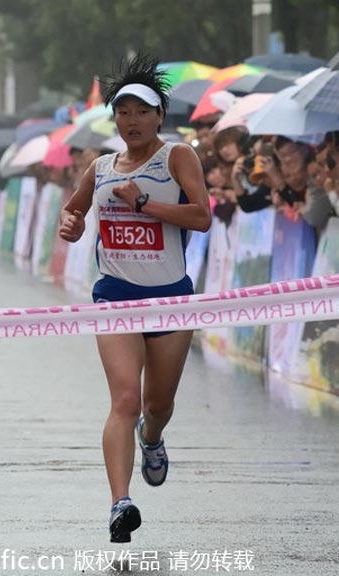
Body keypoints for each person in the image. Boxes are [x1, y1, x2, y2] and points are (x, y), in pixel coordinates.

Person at [57, 55, 212, 544]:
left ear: (160, 115)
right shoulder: (101, 166)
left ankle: (153, 437)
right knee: (123, 398)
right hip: (116, 297)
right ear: (115, 119)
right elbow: (74, 211)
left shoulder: (177, 157)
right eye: (123, 112)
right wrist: (71, 224)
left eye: (143, 112)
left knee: (157, 403)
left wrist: (143, 203)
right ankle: (119, 503)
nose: (133, 121)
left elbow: (202, 217)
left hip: (170, 298)